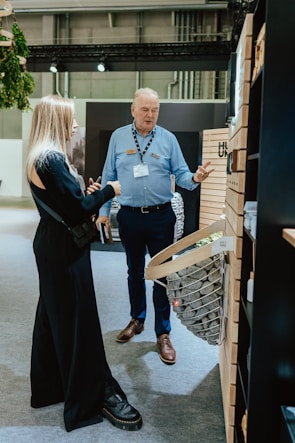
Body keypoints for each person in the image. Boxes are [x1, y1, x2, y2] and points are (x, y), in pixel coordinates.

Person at [26, 95, 142, 432]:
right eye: (71, 119)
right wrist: (107, 191)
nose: (75, 125)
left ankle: (53, 386)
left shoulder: (43, 157)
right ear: (56, 121)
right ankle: (92, 394)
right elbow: (78, 210)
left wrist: (87, 195)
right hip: (63, 250)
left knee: (53, 316)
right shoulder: (50, 159)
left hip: (53, 245)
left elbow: (69, 204)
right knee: (79, 322)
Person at [97, 87, 214, 365]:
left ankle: (163, 333)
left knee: (162, 275)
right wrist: (102, 211)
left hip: (161, 217)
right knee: (134, 270)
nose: (150, 115)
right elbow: (108, 176)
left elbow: (183, 176)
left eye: (155, 110)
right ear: (133, 109)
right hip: (129, 216)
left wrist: (196, 177)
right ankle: (137, 320)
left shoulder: (168, 139)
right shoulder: (118, 137)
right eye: (145, 109)